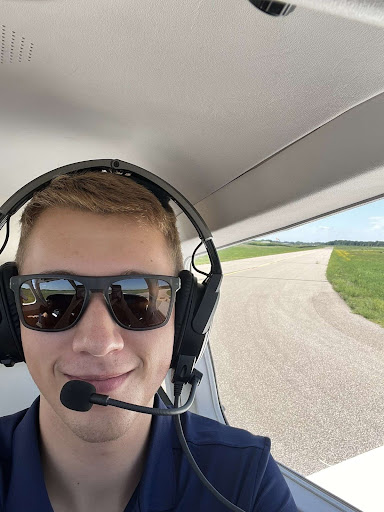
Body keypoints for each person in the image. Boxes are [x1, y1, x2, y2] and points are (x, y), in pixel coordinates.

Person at [0, 170, 297, 511]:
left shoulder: (244, 478)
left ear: (184, 320)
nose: (99, 343)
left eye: (137, 299)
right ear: (9, 319)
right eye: (55, 299)